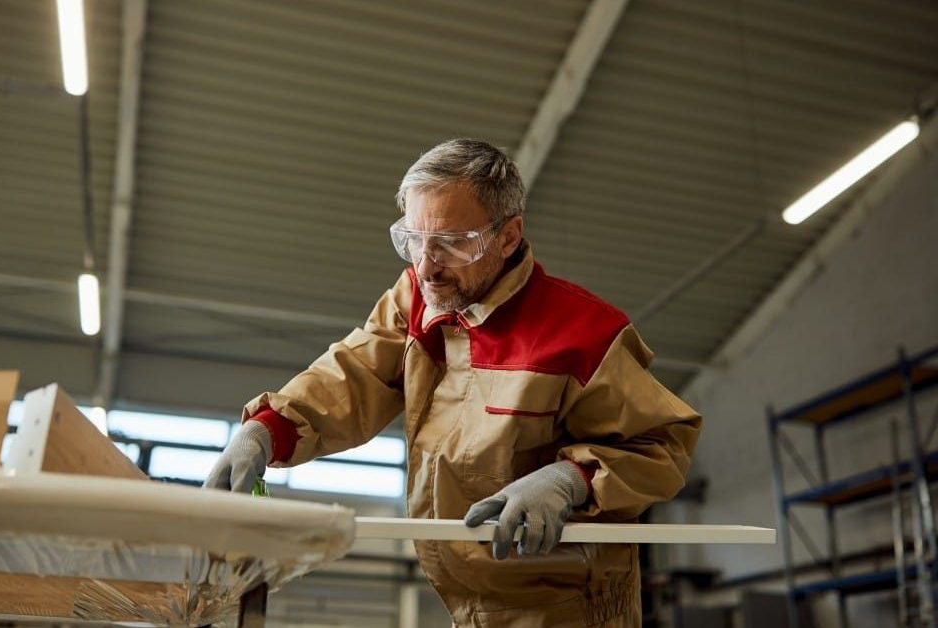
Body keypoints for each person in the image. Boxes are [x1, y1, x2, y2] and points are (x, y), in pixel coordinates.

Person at [205, 139, 702, 627]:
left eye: (451, 243)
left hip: (570, 609)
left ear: (508, 237)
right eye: (413, 239)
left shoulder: (585, 335)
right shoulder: (417, 299)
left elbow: (663, 443)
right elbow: (354, 372)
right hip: (466, 603)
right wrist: (267, 428)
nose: (426, 266)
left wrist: (570, 480)